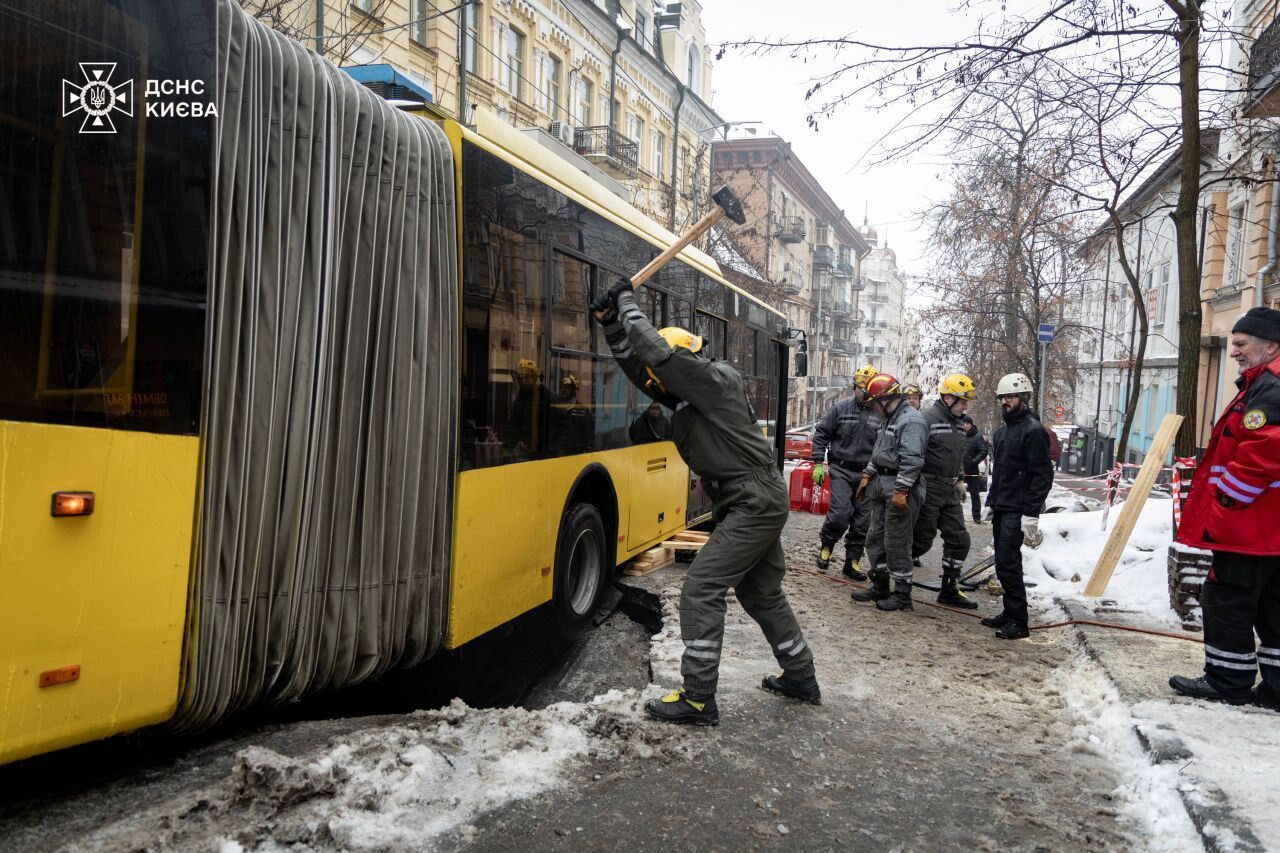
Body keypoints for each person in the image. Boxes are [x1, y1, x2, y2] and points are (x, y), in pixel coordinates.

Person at [591, 280, 820, 725]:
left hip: (753, 498)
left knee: (701, 589)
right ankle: (800, 675)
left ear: (687, 360)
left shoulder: (715, 380)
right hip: (748, 499)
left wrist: (627, 302)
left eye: (669, 372)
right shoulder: (690, 396)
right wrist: (612, 327)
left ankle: (697, 699)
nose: (660, 385)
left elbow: (659, 357)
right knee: (760, 592)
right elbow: (643, 370)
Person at [1170, 307, 1280, 709]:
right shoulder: (1263, 384)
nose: (1233, 351)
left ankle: (1227, 679)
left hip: (1252, 525)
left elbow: (1267, 448)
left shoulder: (1271, 387)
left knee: (1227, 598)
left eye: (1241, 344)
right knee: (1273, 606)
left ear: (1271, 345)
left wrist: (1227, 498)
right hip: (1267, 527)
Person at [980, 373, 1054, 640]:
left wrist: (1031, 512)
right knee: (1003, 562)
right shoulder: (1002, 432)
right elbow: (1000, 472)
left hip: (1018, 508)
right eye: (1002, 397)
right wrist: (991, 502)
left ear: (1023, 397)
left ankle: (1019, 621)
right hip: (1003, 505)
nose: (1005, 402)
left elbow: (1042, 475)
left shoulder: (1033, 431)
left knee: (1008, 562)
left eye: (1010, 397)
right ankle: (1010, 612)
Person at [850, 373, 928, 612]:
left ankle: (902, 594)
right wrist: (868, 474)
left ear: (885, 399)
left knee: (897, 541)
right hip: (882, 482)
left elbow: (912, 460)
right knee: (875, 537)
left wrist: (901, 489)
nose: (873, 407)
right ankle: (880, 585)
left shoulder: (911, 421)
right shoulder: (889, 418)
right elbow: (880, 452)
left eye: (875, 402)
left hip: (899, 485)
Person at [910, 374, 980, 609]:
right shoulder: (926, 419)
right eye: (962, 401)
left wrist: (959, 479)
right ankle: (890, 577)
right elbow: (912, 454)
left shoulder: (959, 423)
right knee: (921, 542)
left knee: (960, 540)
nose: (965, 407)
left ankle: (949, 589)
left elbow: (957, 454)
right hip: (928, 487)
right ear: (948, 398)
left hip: (949, 490)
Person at [810, 363, 882, 580]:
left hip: (868, 474)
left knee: (862, 521)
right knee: (840, 514)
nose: (863, 392)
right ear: (854, 387)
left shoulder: (880, 414)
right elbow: (821, 434)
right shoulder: (840, 409)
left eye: (867, 389)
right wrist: (817, 463)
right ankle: (827, 546)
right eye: (860, 388)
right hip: (841, 469)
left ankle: (852, 561)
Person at [962, 415, 990, 524]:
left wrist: (973, 461)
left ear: (971, 424)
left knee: (975, 494)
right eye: (964, 423)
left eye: (967, 423)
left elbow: (983, 451)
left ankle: (977, 517)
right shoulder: (959, 434)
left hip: (972, 470)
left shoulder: (977, 436)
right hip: (958, 469)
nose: (965, 425)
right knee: (953, 493)